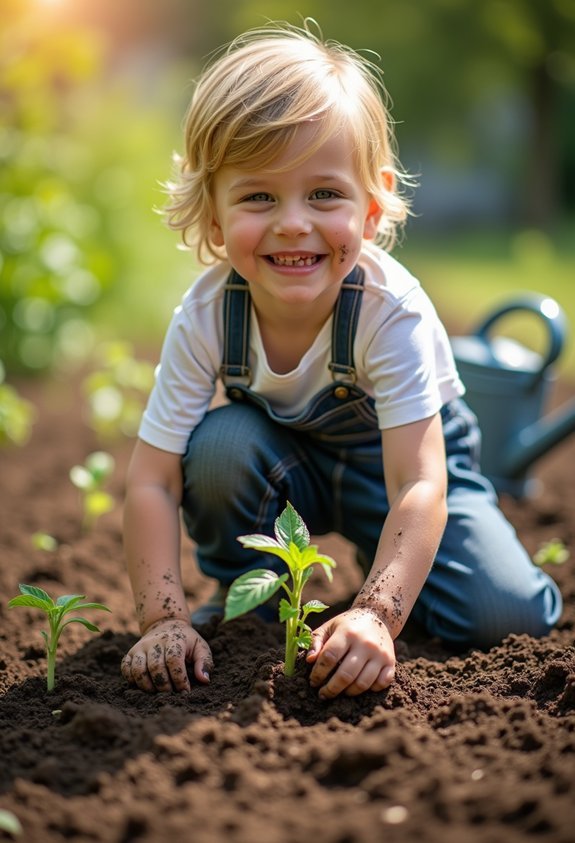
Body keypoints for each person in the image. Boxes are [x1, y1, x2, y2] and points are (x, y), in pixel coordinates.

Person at [120, 22, 562, 699]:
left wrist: (378, 614)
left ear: (371, 204)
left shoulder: (391, 311)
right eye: (258, 195)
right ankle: (250, 606)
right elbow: (151, 479)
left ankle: (389, 574)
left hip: (397, 477)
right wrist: (161, 616)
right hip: (280, 466)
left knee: (505, 615)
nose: (292, 222)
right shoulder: (208, 313)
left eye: (323, 194)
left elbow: (418, 481)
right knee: (217, 447)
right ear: (211, 214)